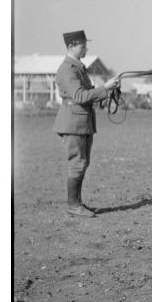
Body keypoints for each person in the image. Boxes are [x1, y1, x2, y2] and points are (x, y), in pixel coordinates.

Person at [53, 30, 120, 217]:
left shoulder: (78, 67)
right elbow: (79, 96)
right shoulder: (68, 69)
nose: (86, 49)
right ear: (71, 46)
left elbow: (87, 92)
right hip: (73, 123)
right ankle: (73, 206)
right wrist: (105, 88)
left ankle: (77, 203)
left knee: (82, 162)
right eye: (83, 46)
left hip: (81, 121)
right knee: (78, 163)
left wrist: (108, 89)